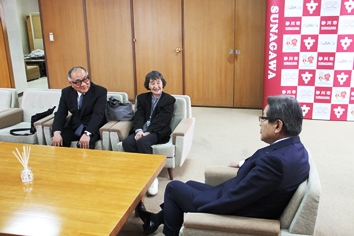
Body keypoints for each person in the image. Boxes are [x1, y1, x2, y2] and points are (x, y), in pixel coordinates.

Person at [136, 95, 310, 236]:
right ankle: (156, 220)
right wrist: (243, 163)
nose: (260, 123)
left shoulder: (275, 163)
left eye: (263, 118)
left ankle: (169, 232)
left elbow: (236, 199)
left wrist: (203, 209)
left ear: (278, 125)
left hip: (237, 211)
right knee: (188, 185)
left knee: (174, 188)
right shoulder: (296, 150)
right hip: (242, 196)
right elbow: (263, 174)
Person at [122, 70, 175, 195]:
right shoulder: (141, 98)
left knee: (142, 142)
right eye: (152, 83)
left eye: (158, 82)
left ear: (163, 83)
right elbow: (138, 116)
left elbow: (163, 120)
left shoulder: (169, 100)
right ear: (148, 85)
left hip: (158, 131)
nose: (156, 86)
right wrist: (139, 130)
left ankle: (152, 177)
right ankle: (139, 171)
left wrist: (148, 131)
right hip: (142, 129)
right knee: (127, 143)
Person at [51, 66, 107, 149]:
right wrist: (56, 132)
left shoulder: (100, 91)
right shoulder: (66, 92)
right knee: (59, 142)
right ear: (71, 83)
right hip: (74, 125)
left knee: (85, 145)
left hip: (92, 127)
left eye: (85, 79)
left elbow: (98, 115)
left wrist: (87, 133)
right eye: (78, 82)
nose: (83, 84)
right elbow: (61, 113)